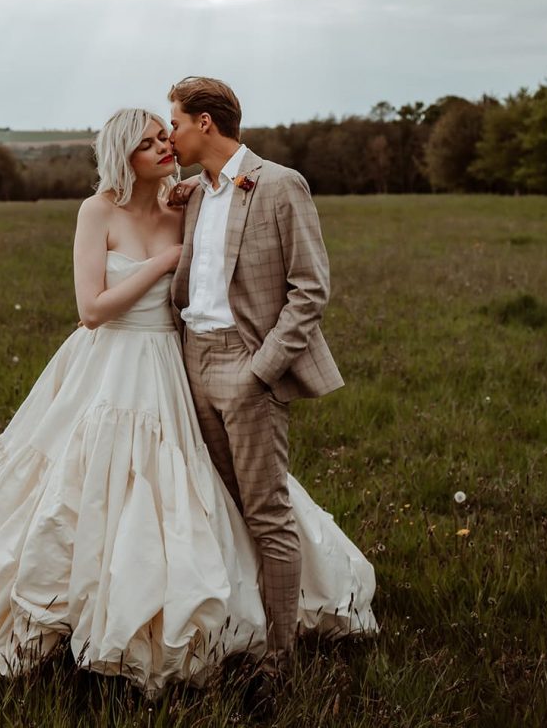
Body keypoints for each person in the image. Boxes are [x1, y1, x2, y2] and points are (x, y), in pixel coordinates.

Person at [0, 107, 376, 697]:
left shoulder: (185, 203)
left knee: (205, 483)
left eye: (164, 137)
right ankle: (88, 615)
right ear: (124, 157)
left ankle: (245, 616)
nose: (164, 148)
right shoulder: (97, 212)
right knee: (89, 487)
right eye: (148, 144)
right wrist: (164, 263)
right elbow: (90, 309)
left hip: (175, 360)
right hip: (110, 362)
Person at [168, 76, 361, 696]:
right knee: (222, 507)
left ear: (204, 123)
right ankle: (240, 628)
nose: (169, 135)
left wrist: (259, 373)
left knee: (266, 512)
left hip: (246, 366)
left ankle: (280, 657)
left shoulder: (281, 185)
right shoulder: (197, 190)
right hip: (192, 362)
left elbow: (311, 291)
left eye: (174, 122)